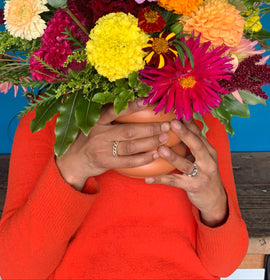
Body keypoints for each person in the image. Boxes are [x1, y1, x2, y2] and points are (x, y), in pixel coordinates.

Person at [0, 98, 248, 280]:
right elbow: (18, 270)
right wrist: (74, 168)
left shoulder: (200, 121)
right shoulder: (49, 121)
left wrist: (214, 203)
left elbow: (224, 264)